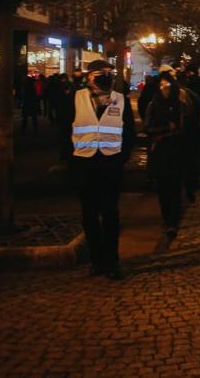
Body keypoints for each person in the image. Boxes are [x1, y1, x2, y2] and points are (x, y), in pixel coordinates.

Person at [66, 60, 136, 280]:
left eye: (109, 73)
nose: (106, 76)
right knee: (89, 215)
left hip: (110, 164)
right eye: (100, 73)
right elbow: (64, 130)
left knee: (110, 214)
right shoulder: (76, 99)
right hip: (84, 164)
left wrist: (120, 159)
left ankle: (112, 261)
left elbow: (129, 133)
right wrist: (71, 161)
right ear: (89, 77)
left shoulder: (121, 100)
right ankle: (96, 260)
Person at [145, 71, 195, 239]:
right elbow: (148, 127)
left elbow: (184, 128)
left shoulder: (179, 103)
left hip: (176, 152)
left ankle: (172, 221)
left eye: (167, 84)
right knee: (162, 189)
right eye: (161, 85)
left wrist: (169, 131)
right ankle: (167, 218)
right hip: (160, 153)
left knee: (174, 188)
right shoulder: (154, 104)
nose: (164, 88)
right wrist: (166, 129)